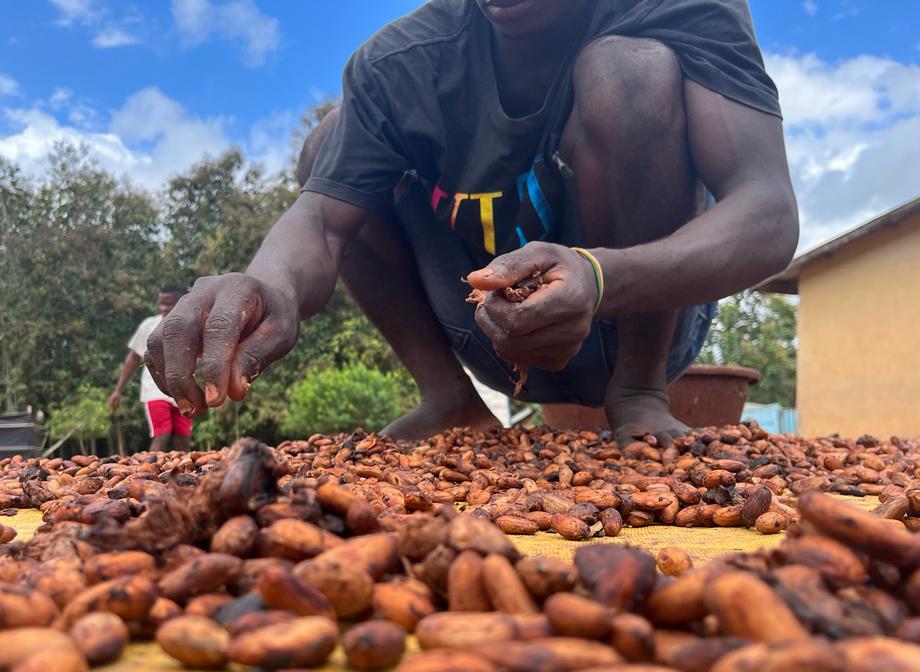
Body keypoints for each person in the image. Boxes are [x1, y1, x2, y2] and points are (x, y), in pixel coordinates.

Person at [144, 0, 799, 447]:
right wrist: (268, 285)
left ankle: (638, 390)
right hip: (484, 333)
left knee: (631, 71)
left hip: (639, 312)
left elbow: (767, 210)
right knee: (330, 147)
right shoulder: (401, 64)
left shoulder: (680, 8)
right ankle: (448, 401)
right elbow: (321, 220)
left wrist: (600, 277)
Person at [109, 285, 192, 452]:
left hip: (182, 390)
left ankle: (187, 468)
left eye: (169, 303)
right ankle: (151, 467)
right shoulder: (149, 325)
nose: (164, 308)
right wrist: (118, 390)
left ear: (181, 302)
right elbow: (133, 358)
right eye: (161, 303)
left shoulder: (191, 326)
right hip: (155, 389)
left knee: (183, 438)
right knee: (163, 433)